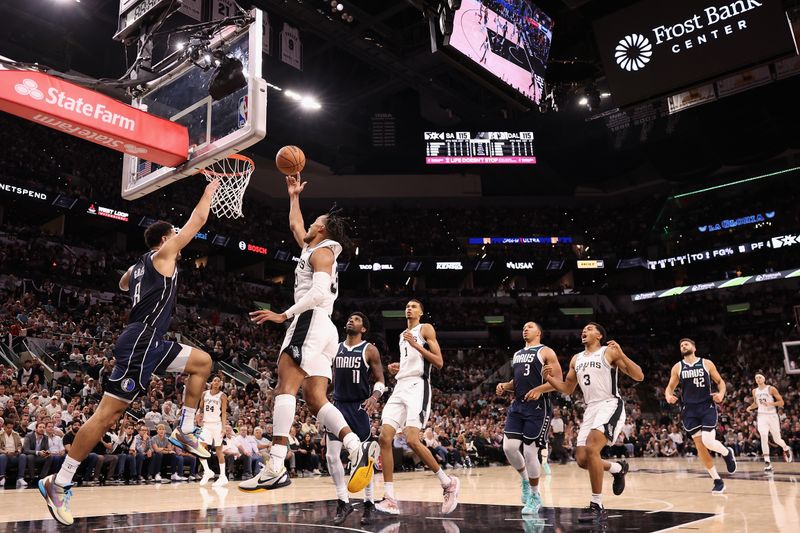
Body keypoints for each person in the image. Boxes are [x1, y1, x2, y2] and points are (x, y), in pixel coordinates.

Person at [39, 181, 220, 526]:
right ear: (166, 239)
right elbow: (197, 220)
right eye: (176, 235)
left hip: (152, 342)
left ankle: (184, 427)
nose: (181, 238)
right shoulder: (163, 255)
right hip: (141, 342)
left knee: (202, 362)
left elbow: (123, 283)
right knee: (106, 416)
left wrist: (139, 275)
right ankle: (59, 482)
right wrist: (209, 191)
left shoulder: (143, 263)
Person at [241, 174, 375, 493]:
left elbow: (316, 293)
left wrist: (282, 314)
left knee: (285, 384)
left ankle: (275, 465)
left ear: (322, 229)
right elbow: (295, 227)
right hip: (324, 328)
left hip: (311, 319)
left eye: (315, 222)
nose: (309, 225)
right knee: (315, 398)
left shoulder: (323, 253)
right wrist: (293, 197)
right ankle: (355, 445)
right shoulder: (312, 246)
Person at [544, 323, 642, 524]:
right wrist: (550, 380)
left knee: (591, 449)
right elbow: (568, 389)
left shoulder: (609, 352)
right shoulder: (576, 359)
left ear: (599, 335)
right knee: (581, 459)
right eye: (583, 329)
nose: (584, 331)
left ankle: (597, 505)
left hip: (609, 403)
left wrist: (622, 355)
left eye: (589, 328)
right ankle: (617, 468)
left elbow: (639, 376)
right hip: (590, 409)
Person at [376, 299, 460, 516]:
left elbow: (439, 362)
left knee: (413, 439)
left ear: (421, 312)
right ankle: (390, 497)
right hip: (400, 386)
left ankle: (447, 482)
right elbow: (411, 361)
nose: (409, 308)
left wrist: (415, 345)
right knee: (384, 437)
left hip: (417, 387)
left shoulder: (425, 329)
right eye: (407, 306)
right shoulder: (402, 335)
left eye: (414, 306)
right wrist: (398, 367)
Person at [325, 312, 385, 526]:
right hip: (338, 406)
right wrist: (316, 392)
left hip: (359, 407)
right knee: (331, 456)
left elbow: (380, 380)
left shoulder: (369, 350)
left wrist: (375, 397)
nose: (351, 320)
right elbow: (331, 380)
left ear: (364, 329)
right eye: (350, 318)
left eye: (357, 319)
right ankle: (343, 501)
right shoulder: (336, 348)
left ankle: (369, 503)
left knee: (364, 459)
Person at [495, 321, 561, 515]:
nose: (525, 328)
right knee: (509, 447)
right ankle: (525, 479)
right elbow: (519, 380)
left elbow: (559, 381)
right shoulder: (517, 354)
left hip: (539, 408)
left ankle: (534, 495)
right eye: (523, 327)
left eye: (530, 326)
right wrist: (505, 386)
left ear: (539, 332)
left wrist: (540, 389)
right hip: (518, 405)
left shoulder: (546, 352)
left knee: (531, 453)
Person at [665, 338, 737, 493]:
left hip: (706, 406)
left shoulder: (706, 363)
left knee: (708, 441)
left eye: (686, 344)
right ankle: (717, 480)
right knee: (700, 446)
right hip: (689, 410)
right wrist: (668, 396)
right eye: (681, 345)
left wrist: (721, 394)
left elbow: (720, 382)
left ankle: (726, 452)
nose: (683, 346)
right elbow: (669, 388)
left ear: (694, 347)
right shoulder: (678, 367)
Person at [746, 373, 793, 470]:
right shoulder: (754, 391)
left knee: (777, 439)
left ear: (763, 379)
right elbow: (756, 403)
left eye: (759, 377)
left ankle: (786, 448)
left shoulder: (771, 389)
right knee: (763, 436)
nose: (758, 379)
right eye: (756, 378)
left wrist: (770, 404)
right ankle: (767, 462)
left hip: (772, 415)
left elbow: (781, 402)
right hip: (761, 416)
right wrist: (750, 407)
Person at [198, 377, 228, 486]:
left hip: (217, 425)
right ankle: (207, 471)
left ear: (220, 384)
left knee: (219, 451)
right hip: (206, 424)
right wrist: (198, 413)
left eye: (218, 381)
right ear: (211, 382)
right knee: (200, 448)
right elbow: (200, 407)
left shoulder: (223, 396)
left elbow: (224, 413)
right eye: (214, 380)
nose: (216, 382)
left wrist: (224, 428)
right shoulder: (204, 394)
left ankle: (223, 476)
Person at [0, 419, 28, 489]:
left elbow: (19, 445)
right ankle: (2, 478)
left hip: (14, 455)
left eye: (11, 428)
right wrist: (6, 452)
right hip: (5, 455)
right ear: (4, 426)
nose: (10, 429)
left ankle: (20, 478)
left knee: (23, 456)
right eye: (8, 428)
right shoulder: (0, 435)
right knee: (2, 456)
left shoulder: (16, 434)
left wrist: (18, 450)